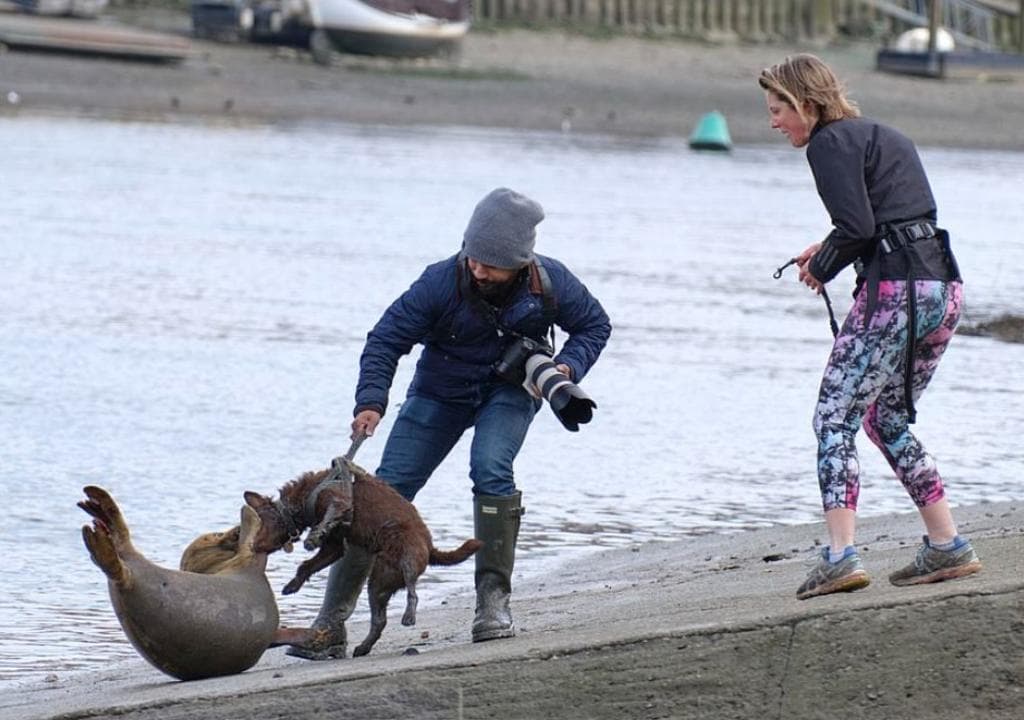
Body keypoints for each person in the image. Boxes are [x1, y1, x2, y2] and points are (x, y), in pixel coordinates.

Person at [287, 187, 611, 659]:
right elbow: (384, 341)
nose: (476, 269)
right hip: (439, 393)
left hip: (510, 392)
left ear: (520, 262)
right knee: (379, 494)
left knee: (491, 469)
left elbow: (595, 326)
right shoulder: (440, 281)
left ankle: (493, 607)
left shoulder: (551, 281)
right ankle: (329, 626)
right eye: (472, 257)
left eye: (490, 264)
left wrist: (566, 368)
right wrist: (371, 401)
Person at [758, 54, 982, 600]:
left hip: (895, 296)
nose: (774, 122)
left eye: (778, 110)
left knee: (833, 420)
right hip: (942, 290)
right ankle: (947, 544)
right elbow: (886, 222)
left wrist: (823, 263)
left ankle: (840, 557)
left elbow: (856, 227)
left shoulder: (827, 142)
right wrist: (832, 247)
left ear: (806, 104)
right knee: (886, 418)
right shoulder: (885, 134)